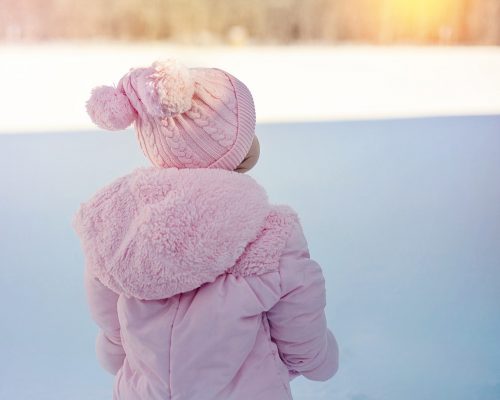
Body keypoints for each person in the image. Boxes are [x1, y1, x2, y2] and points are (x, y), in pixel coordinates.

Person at [72, 59, 339, 400]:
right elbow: (300, 325)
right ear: (238, 148)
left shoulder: (115, 225)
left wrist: (117, 354)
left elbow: (110, 320)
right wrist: (318, 361)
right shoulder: (268, 233)